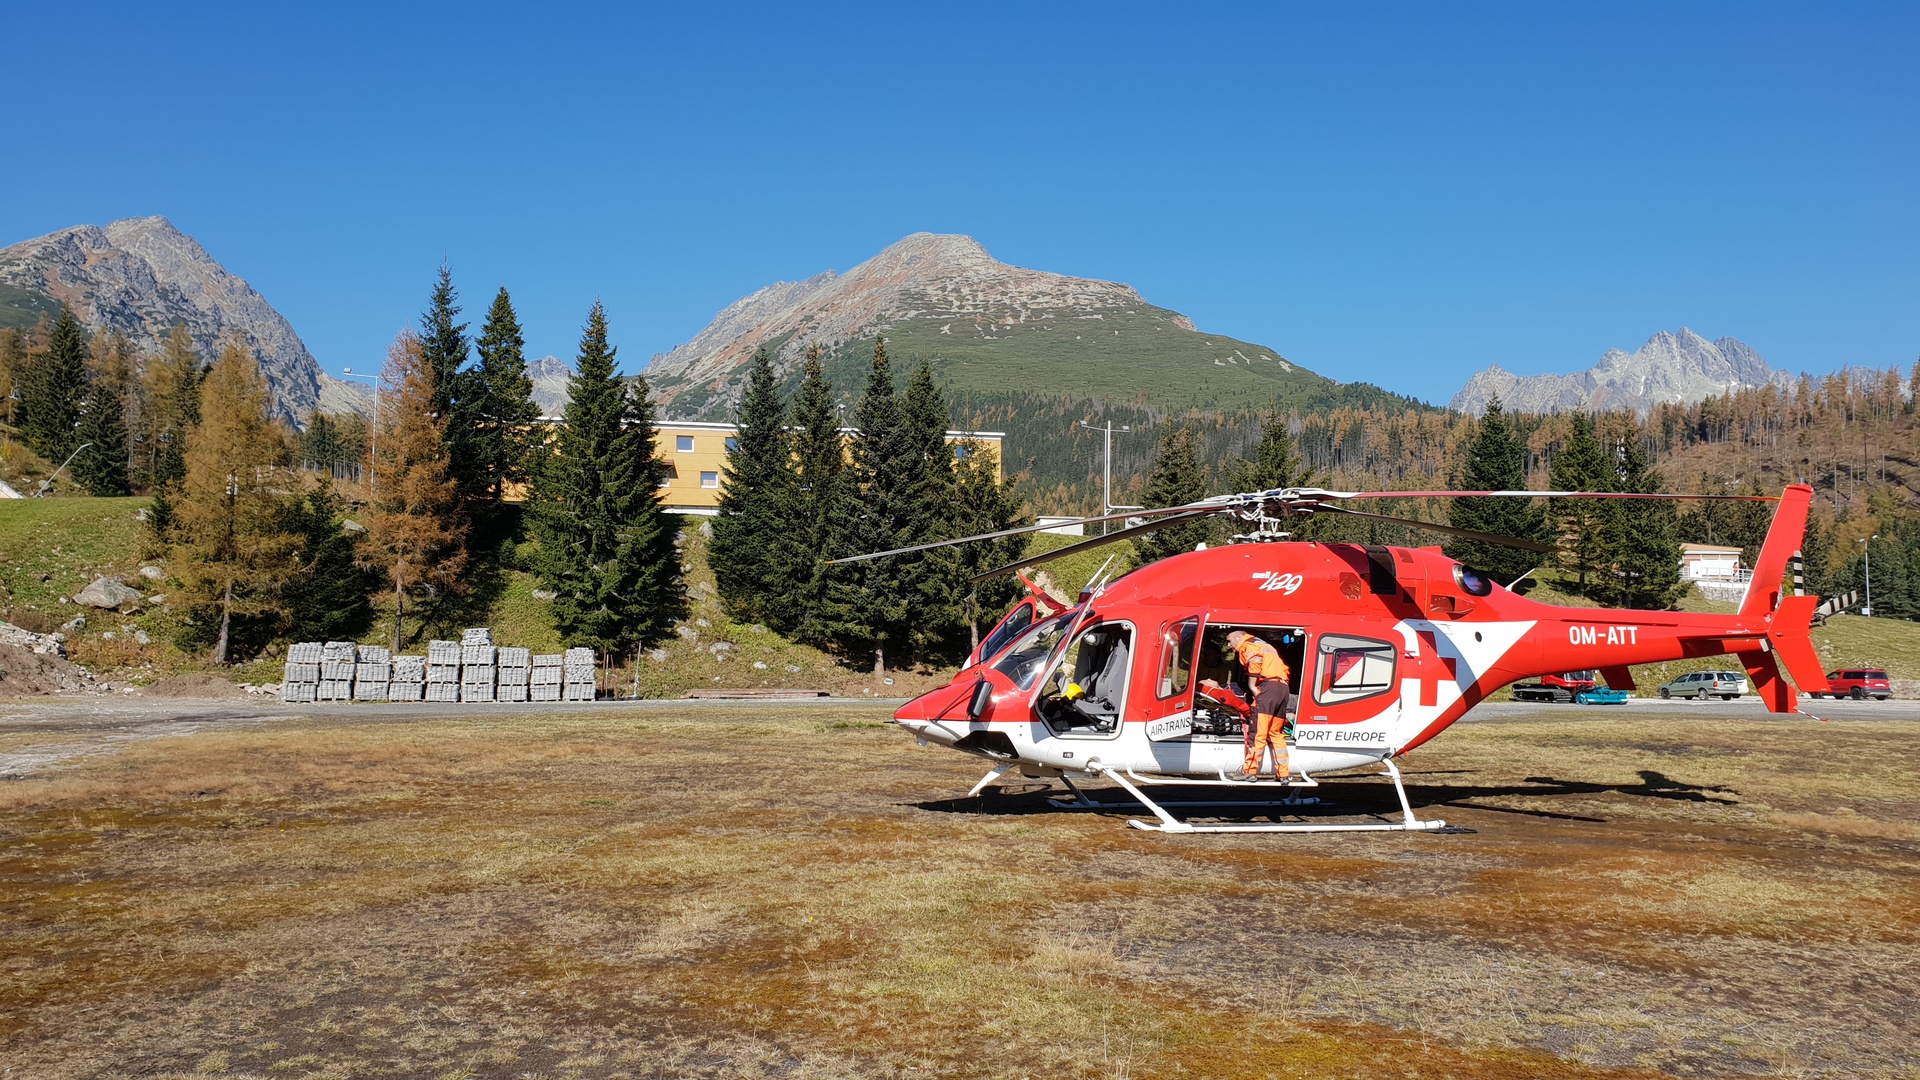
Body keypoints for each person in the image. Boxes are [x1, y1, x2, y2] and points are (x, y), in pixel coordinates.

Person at [1225, 629, 1291, 781]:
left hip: (1268, 688)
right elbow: (1284, 669)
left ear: (1240, 637)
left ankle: (1250, 771)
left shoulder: (1250, 645)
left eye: (1230, 640)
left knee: (1257, 733)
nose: (1229, 645)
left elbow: (1255, 661)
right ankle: (1283, 774)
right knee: (1275, 733)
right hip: (1282, 688)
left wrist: (1253, 686)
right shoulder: (1266, 646)